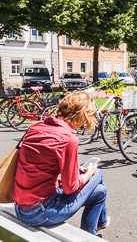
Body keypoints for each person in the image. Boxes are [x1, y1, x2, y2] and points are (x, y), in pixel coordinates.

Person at [12, 91, 109, 235]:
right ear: (80, 116)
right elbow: (71, 188)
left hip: (19, 207)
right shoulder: (68, 139)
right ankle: (97, 227)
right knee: (97, 173)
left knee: (101, 191)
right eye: (85, 119)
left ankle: (95, 230)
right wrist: (89, 174)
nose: (84, 124)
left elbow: (37, 167)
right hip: (40, 212)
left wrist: (62, 179)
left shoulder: (36, 127)